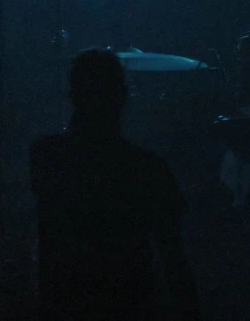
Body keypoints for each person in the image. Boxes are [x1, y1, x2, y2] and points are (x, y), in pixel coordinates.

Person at [29, 49, 200, 321]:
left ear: (71, 95)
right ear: (122, 96)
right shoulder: (148, 168)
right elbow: (175, 262)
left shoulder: (44, 157)